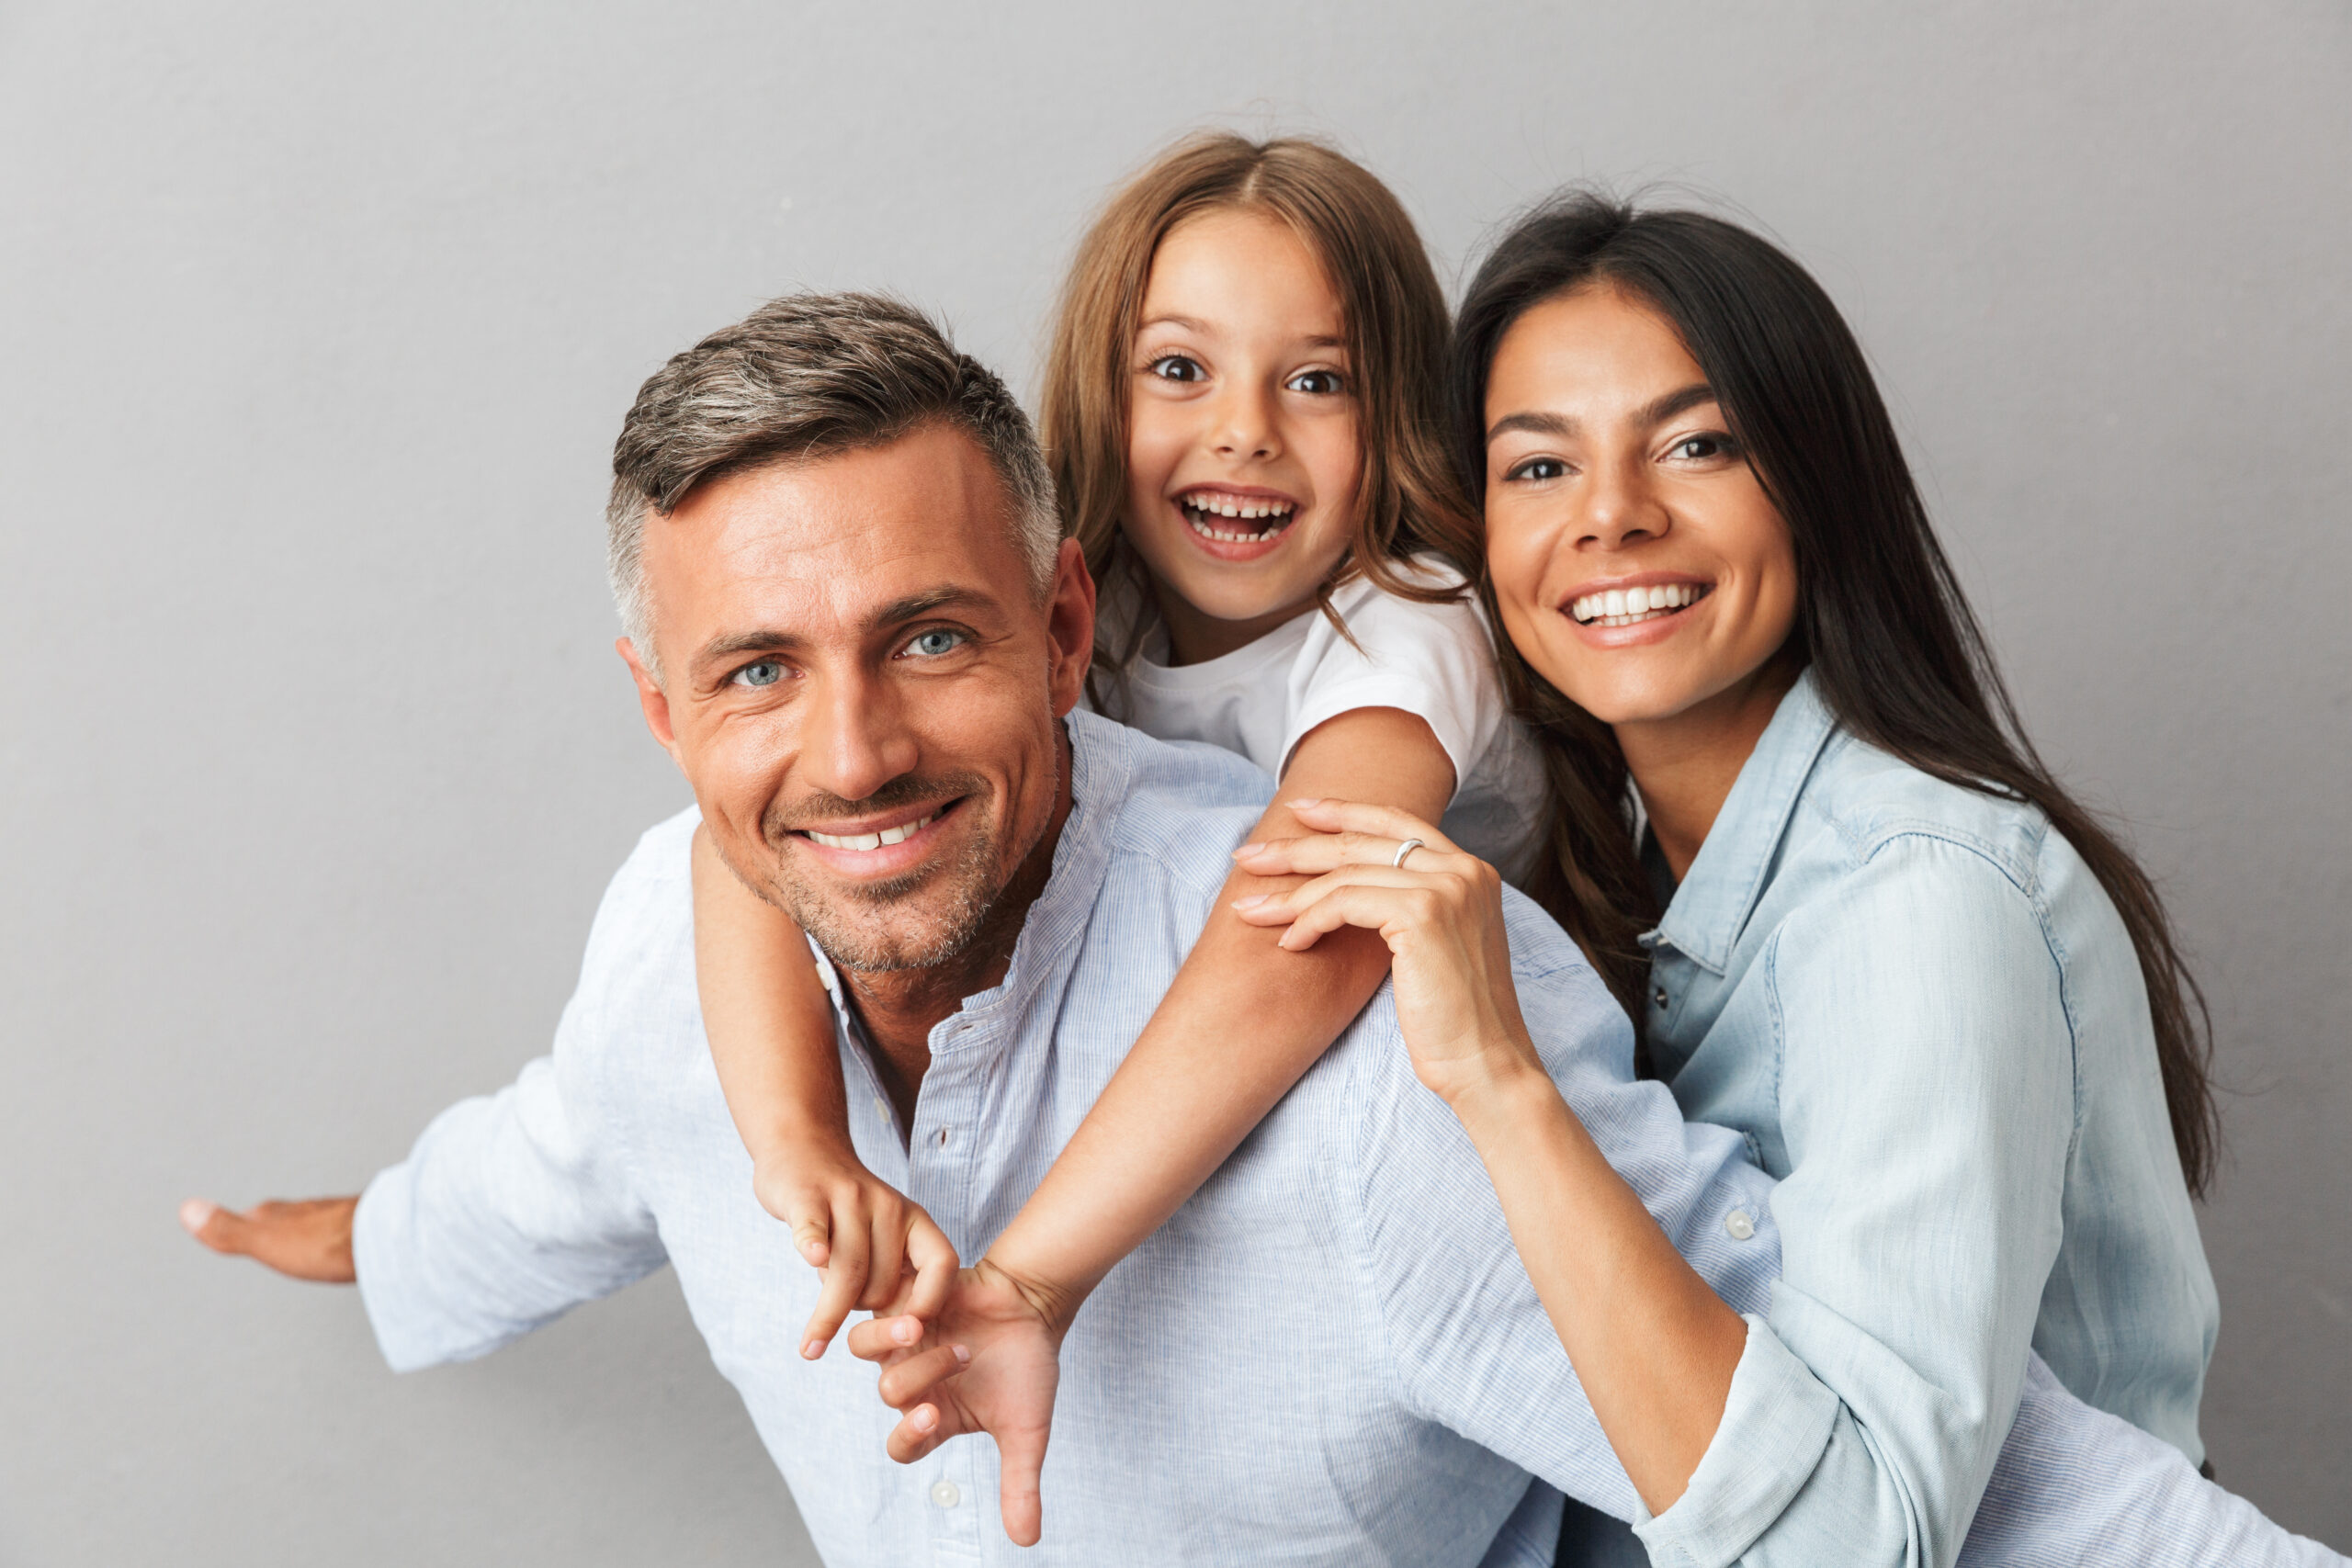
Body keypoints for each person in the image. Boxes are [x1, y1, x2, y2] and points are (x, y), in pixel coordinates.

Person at [178, 289, 2327, 1566]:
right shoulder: (683, 941)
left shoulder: (1388, 1042)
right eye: (755, 671)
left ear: (1064, 621)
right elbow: (549, 1156)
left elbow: (1958, 1496)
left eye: (929, 638)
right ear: (661, 711)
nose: (850, 750)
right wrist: (365, 1233)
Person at [1224, 194, 2256, 1565]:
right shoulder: (1619, 868)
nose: (1612, 518)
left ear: (1816, 481)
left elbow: (1850, 1545)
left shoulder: (1922, 899)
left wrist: (1502, 1080)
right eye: (1539, 468)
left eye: (1697, 446)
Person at [686, 133, 1544, 1371]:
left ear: (1396, 411)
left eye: (1318, 382)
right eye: (1182, 369)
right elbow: (744, 845)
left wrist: (1034, 1282)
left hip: (1413, 1105)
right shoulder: (1084, 598)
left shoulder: (1411, 621)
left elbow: (1301, 928)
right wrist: (802, 1146)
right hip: (1169, 1055)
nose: (1245, 432)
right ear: (1103, 388)